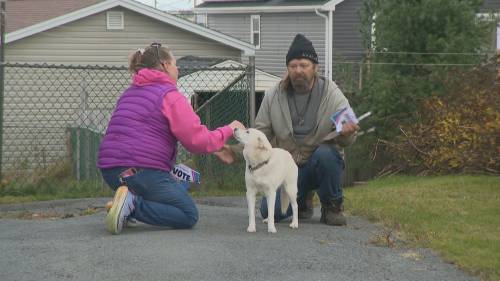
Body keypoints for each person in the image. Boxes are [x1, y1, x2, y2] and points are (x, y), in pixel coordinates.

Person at [98, 43, 245, 235]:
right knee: (187, 214)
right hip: (140, 172)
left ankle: (125, 205)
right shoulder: (170, 95)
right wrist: (229, 129)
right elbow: (197, 141)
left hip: (111, 173)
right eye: (175, 64)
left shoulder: (129, 93)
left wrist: (215, 147)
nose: (178, 69)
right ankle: (132, 206)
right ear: (166, 64)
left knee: (183, 178)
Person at [215, 34, 358, 226]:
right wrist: (234, 152)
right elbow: (260, 135)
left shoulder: (332, 93)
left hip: (318, 163)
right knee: (269, 212)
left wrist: (348, 133)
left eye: (304, 65)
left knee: (327, 154)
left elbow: (349, 135)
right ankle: (303, 201)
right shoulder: (273, 95)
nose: (298, 70)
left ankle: (332, 205)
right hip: (287, 169)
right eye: (293, 66)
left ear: (315, 67)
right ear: (287, 68)